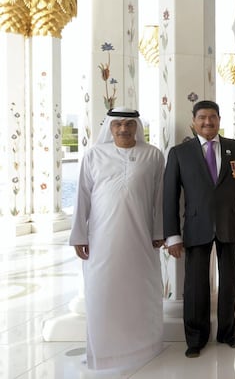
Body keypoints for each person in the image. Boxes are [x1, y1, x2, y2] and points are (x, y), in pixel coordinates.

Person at [69, 107, 165, 371]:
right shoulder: (94, 156)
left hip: (141, 238)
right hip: (102, 240)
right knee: (102, 292)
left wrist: (159, 232)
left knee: (141, 290)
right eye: (117, 124)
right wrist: (79, 234)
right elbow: (82, 198)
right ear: (110, 127)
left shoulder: (153, 156)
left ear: (137, 126)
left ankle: (144, 347)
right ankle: (105, 353)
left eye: (129, 124)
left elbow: (160, 198)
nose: (123, 129)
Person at [163, 100, 235, 358]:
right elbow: (169, 197)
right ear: (194, 121)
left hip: (230, 224)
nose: (208, 122)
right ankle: (195, 338)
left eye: (212, 117)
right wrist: (172, 236)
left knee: (229, 282)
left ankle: (227, 333)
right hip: (196, 226)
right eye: (202, 117)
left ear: (219, 119)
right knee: (195, 286)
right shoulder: (179, 153)